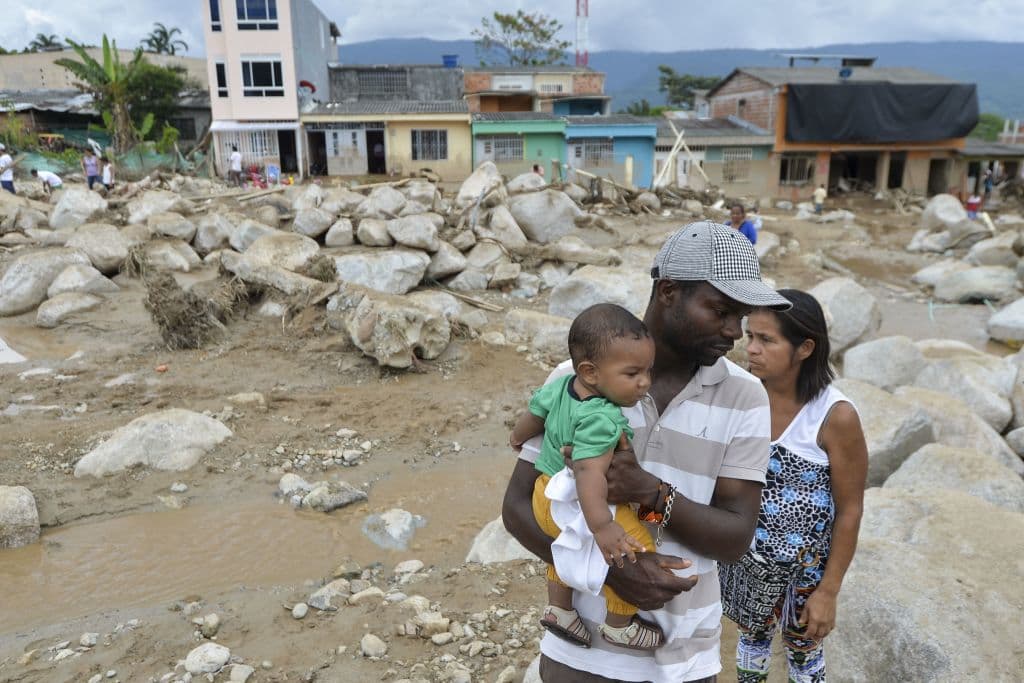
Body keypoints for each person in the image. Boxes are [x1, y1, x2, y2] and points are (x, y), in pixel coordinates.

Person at [502, 220, 791, 682]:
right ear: (670, 291)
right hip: (580, 656)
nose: (734, 332)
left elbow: (735, 538)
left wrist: (653, 493)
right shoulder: (577, 383)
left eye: (740, 317)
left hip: (685, 659)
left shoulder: (745, 398)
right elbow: (518, 508)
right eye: (720, 311)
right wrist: (612, 573)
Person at [720, 289, 867, 683]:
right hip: (748, 564)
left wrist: (828, 592)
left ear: (804, 348)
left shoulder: (834, 417)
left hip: (806, 579)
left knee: (804, 658)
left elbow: (850, 510)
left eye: (766, 340)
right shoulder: (745, 398)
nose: (751, 349)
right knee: (750, 645)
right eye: (750, 336)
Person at [509, 304, 663, 651]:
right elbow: (588, 471)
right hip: (580, 503)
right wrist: (603, 526)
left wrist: (518, 436)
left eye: (648, 371)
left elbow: (535, 410)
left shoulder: (563, 386)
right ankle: (619, 623)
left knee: (567, 544)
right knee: (636, 545)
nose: (645, 383)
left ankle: (560, 610)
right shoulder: (603, 418)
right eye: (633, 373)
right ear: (591, 372)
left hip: (543, 494)